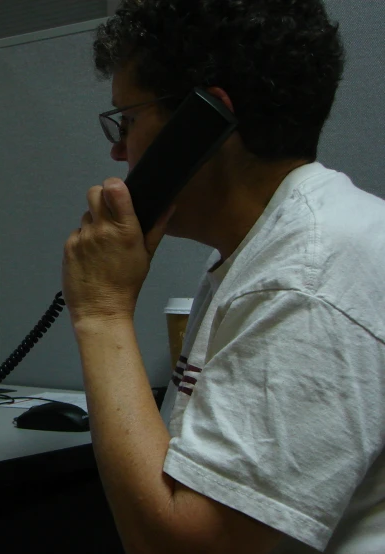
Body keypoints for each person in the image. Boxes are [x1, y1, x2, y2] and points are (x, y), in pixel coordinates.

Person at [60, 1, 385, 553]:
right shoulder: (279, 243)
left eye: (130, 119)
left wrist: (101, 311)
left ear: (202, 121)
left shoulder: (306, 277)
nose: (117, 148)